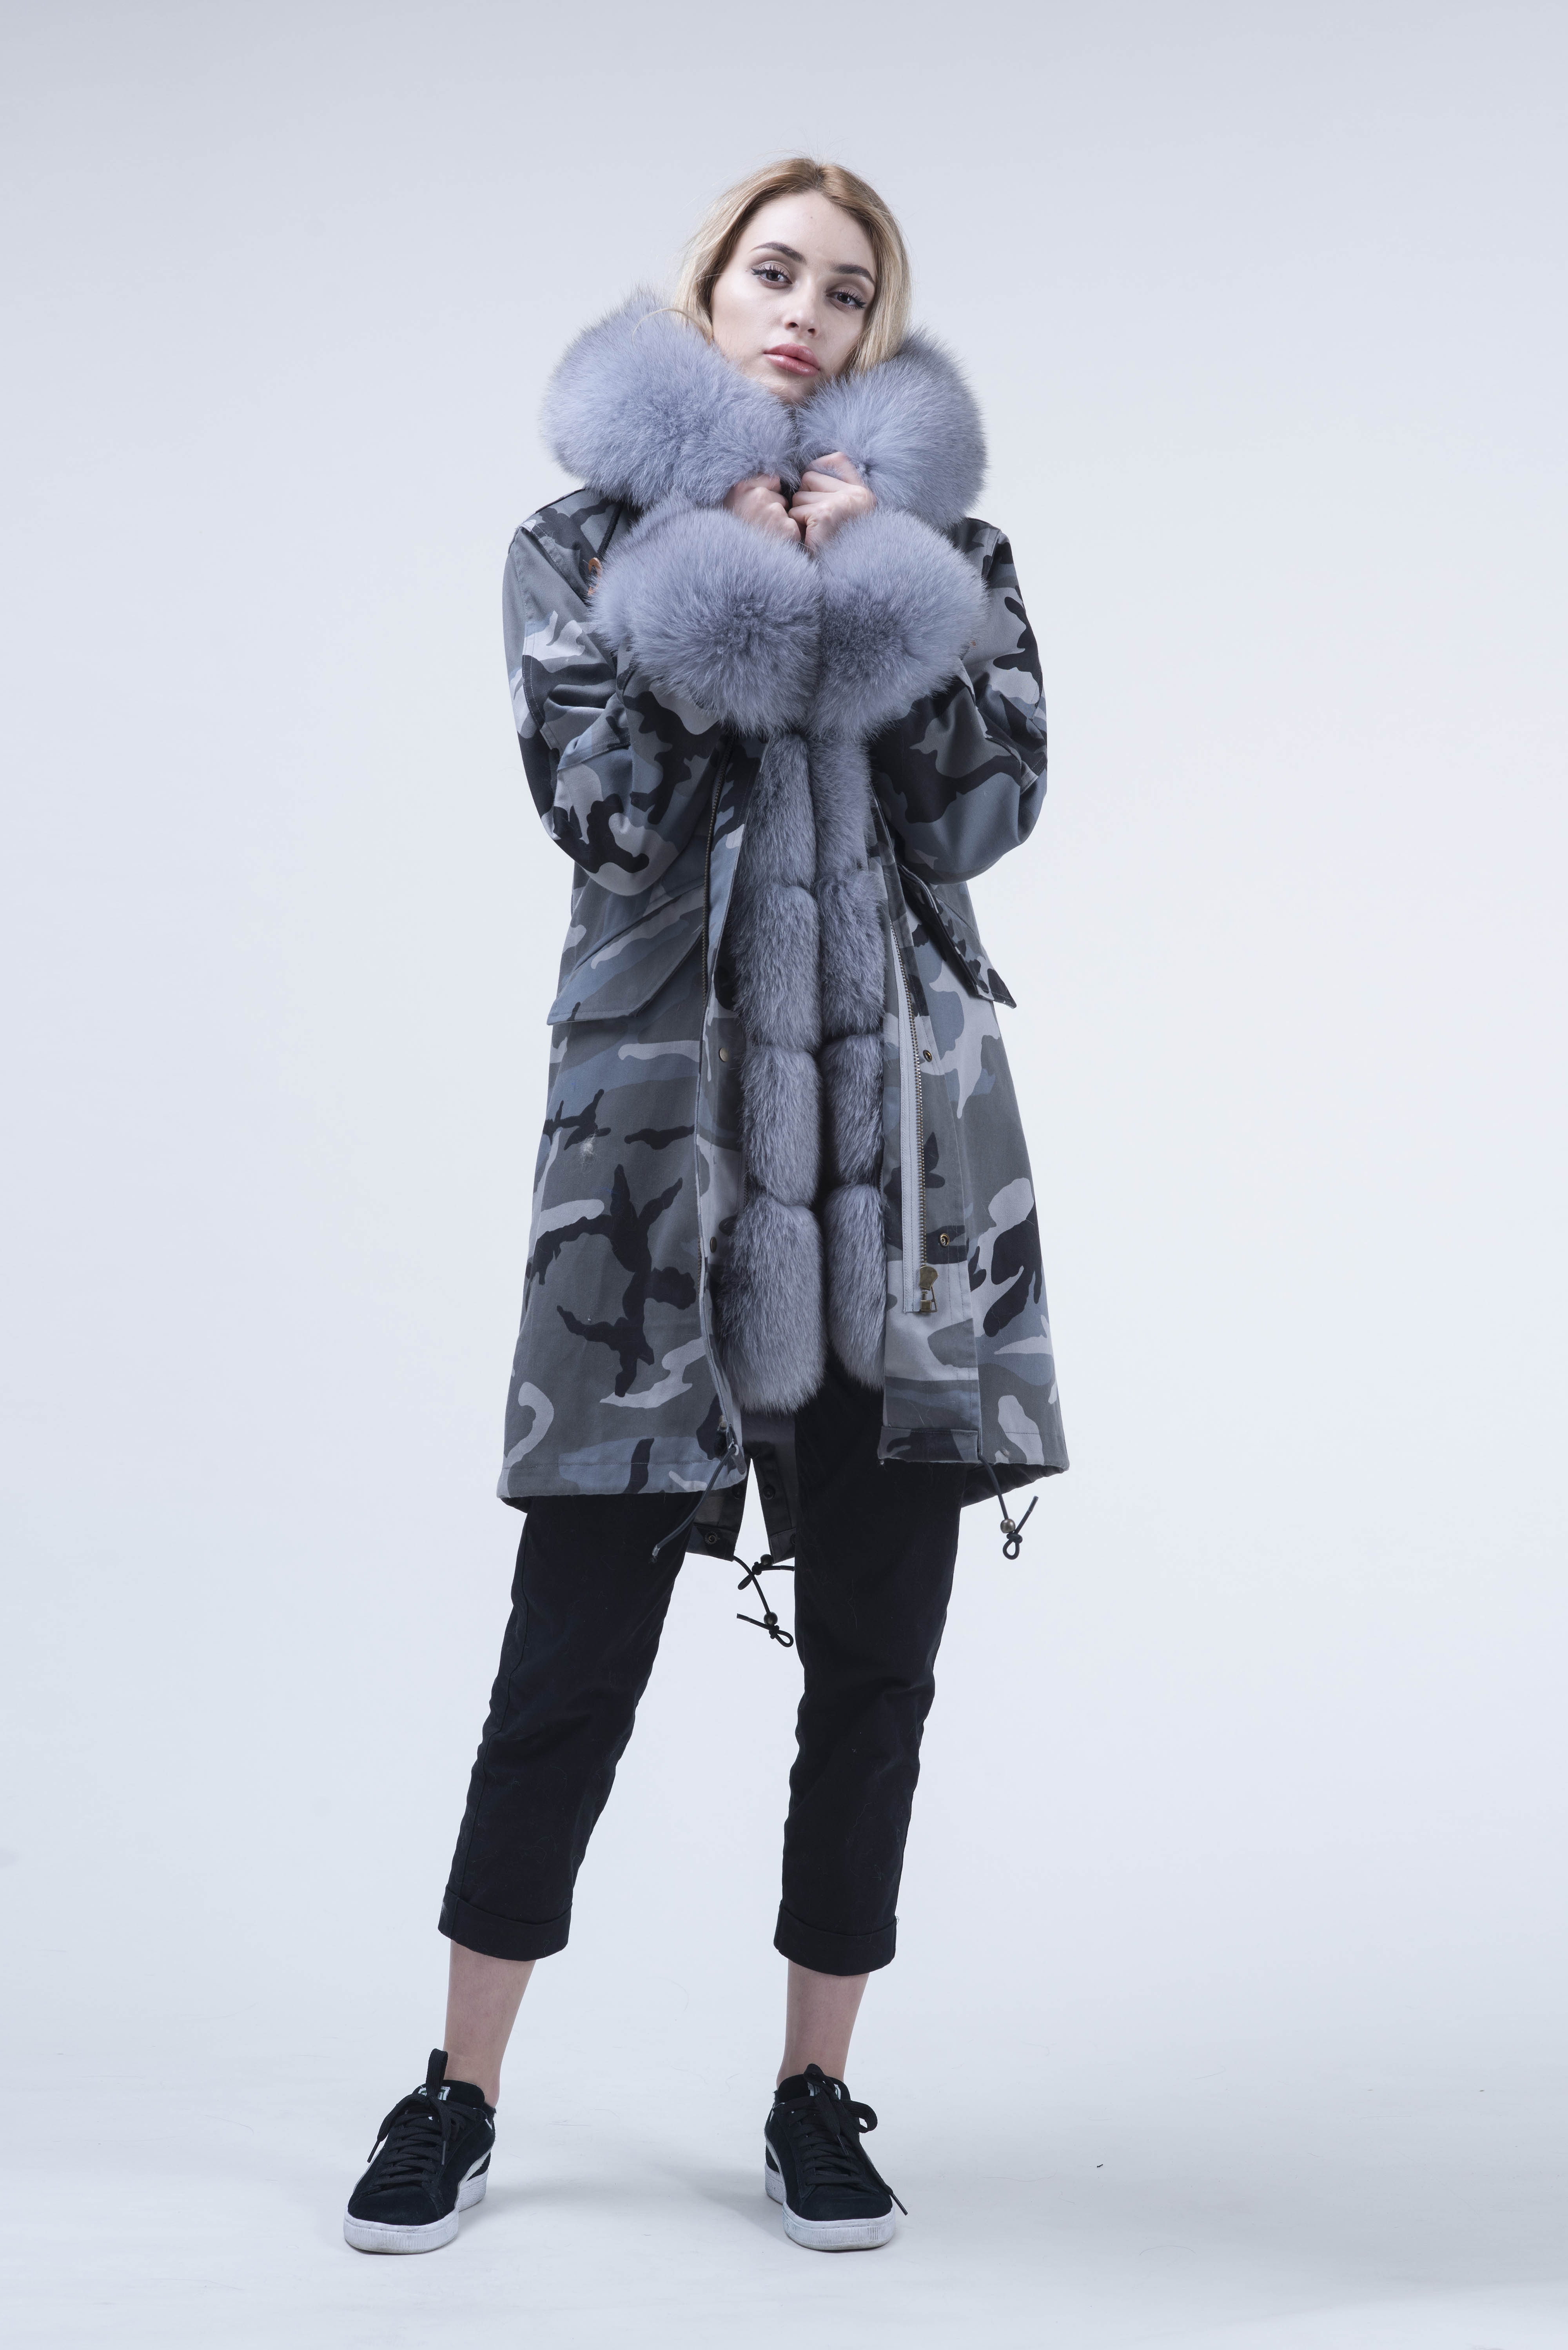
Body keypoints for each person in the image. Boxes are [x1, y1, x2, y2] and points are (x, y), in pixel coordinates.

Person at [343, 157, 1067, 2259]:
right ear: (710, 289)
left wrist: (883, 598)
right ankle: (458, 2090)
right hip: (657, 1177)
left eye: (847, 289)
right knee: (569, 1656)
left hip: (902, 1184)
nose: (805, 316)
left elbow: (997, 805)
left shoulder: (954, 554)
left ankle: (817, 2093)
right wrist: (720, 586)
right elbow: (603, 810)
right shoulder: (579, 546)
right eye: (775, 272)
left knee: (877, 1669)